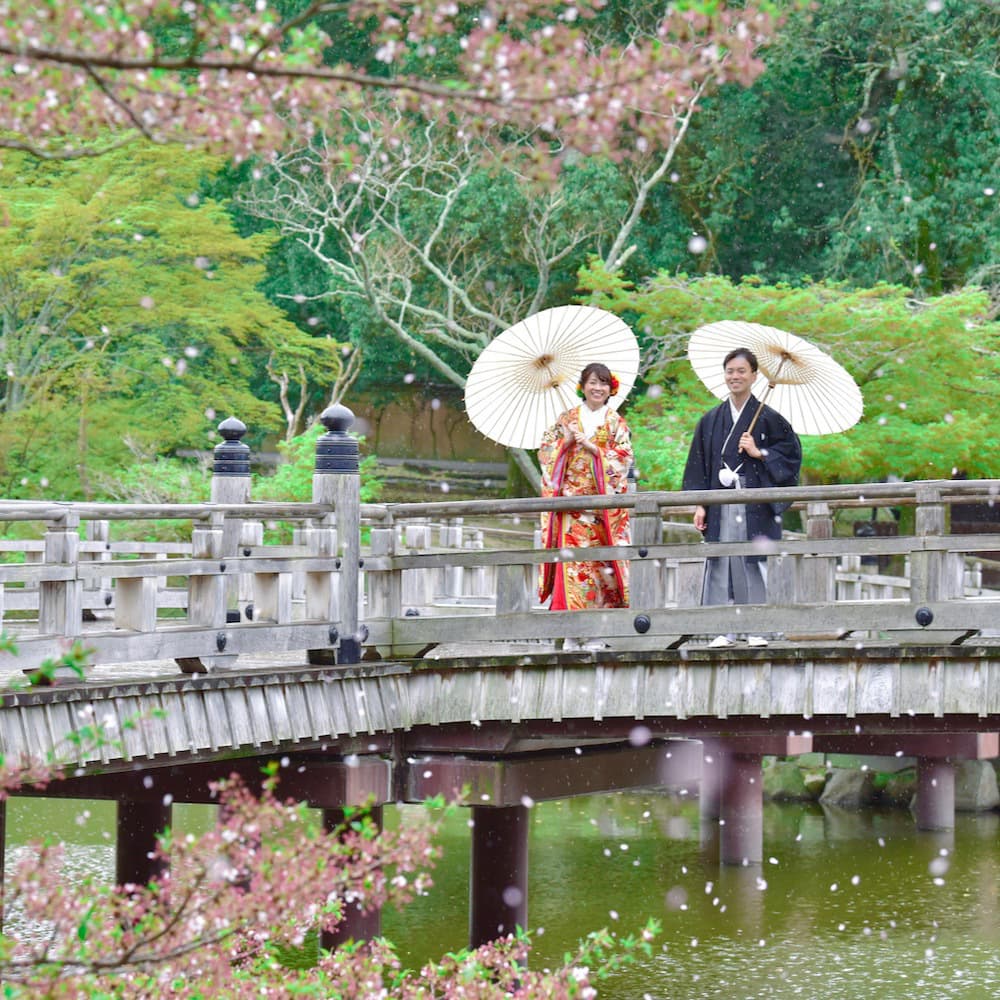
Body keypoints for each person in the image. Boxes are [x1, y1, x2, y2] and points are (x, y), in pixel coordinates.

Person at [682, 347, 801, 646]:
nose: (735, 377)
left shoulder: (771, 419)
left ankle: (758, 628)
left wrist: (759, 452)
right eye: (730, 371)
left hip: (754, 499)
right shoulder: (710, 420)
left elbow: (791, 457)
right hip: (720, 500)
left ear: (754, 376)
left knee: (752, 560)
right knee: (723, 561)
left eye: (741, 371)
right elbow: (699, 464)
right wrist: (700, 504)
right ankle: (723, 629)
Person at [538, 362, 633, 615]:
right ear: (583, 386)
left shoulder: (615, 422)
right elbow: (545, 454)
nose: (597, 388)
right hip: (572, 508)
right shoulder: (567, 419)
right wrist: (565, 444)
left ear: (610, 388)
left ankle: (597, 633)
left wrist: (595, 450)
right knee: (572, 568)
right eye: (592, 382)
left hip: (603, 510)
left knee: (603, 570)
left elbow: (624, 458)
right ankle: (571, 631)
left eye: (603, 383)